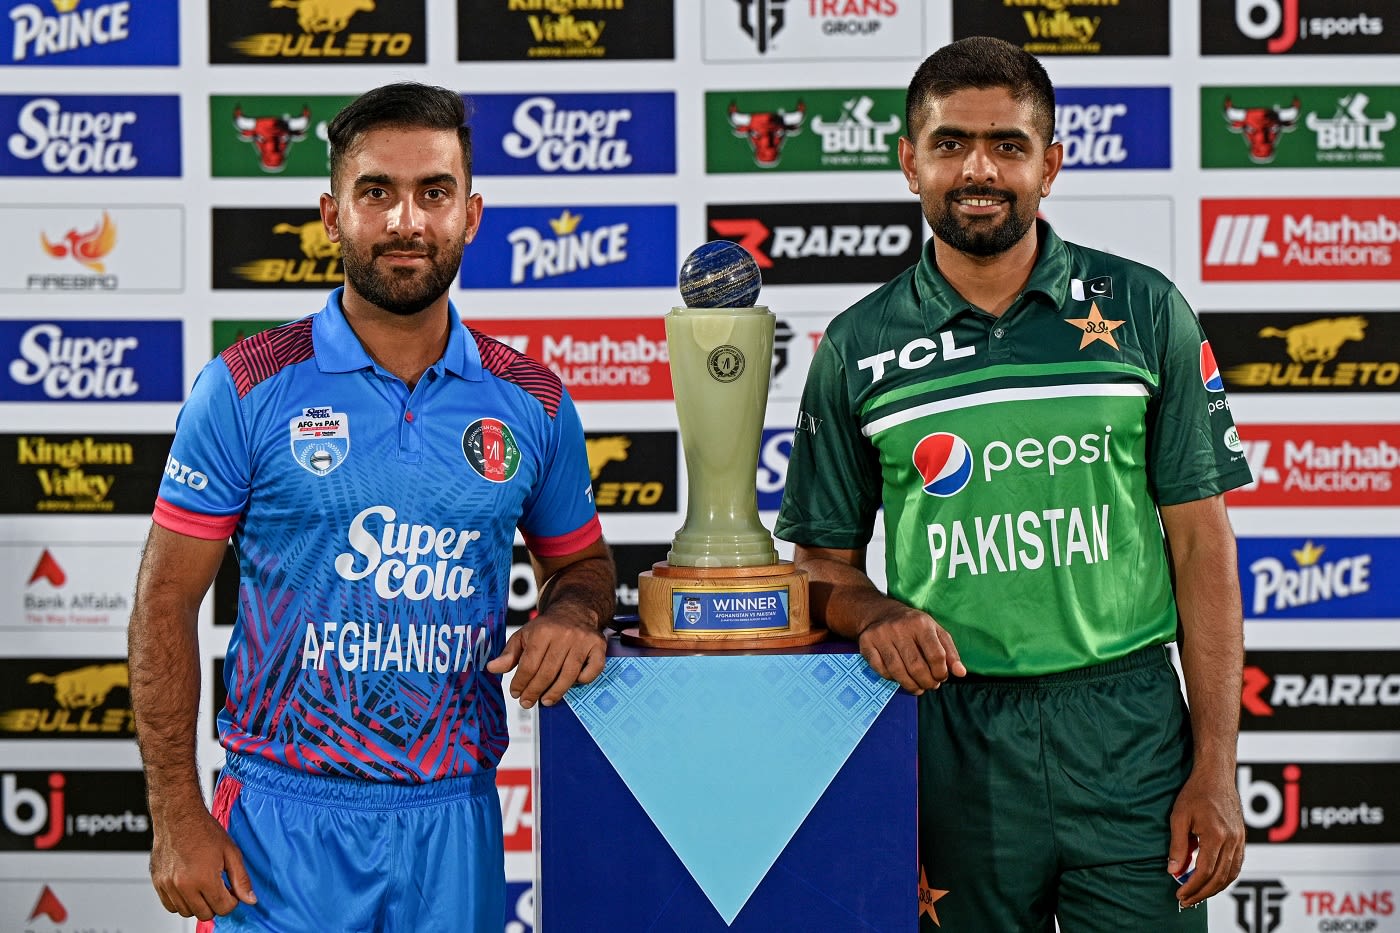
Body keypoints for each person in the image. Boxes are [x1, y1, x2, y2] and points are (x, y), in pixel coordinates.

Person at [773, 36, 1250, 931]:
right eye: (950, 143)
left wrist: (1217, 765)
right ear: (908, 161)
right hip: (954, 736)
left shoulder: (1147, 312)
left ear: (1052, 163)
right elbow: (819, 568)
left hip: (1131, 729)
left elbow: (1202, 542)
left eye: (1009, 145)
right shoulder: (857, 346)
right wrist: (876, 615)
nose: (978, 169)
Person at [127, 82, 616, 931]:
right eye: (376, 193)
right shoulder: (245, 385)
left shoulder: (532, 400)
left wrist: (573, 610)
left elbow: (583, 565)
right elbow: (164, 603)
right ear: (331, 214)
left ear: (471, 213)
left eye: (433, 192)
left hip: (453, 815)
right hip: (280, 823)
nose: (405, 223)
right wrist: (175, 812)